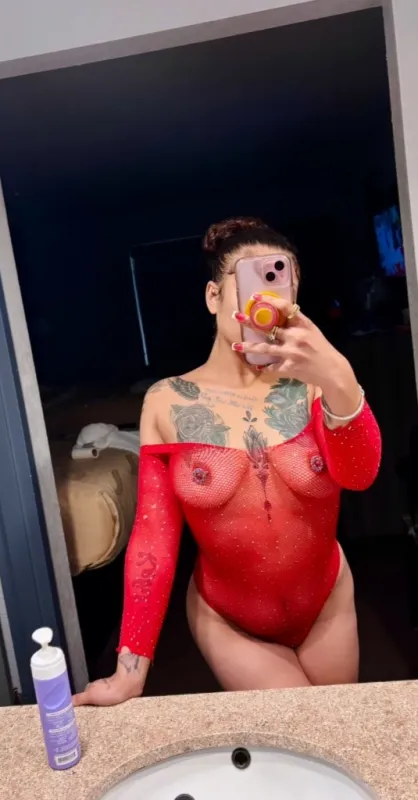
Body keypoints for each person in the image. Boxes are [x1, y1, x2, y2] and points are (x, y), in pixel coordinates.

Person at [74, 217, 381, 707]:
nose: (264, 303)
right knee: (303, 726)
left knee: (337, 732)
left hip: (327, 604)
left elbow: (360, 475)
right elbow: (154, 537)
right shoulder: (168, 402)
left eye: (278, 285)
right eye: (251, 282)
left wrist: (340, 377)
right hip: (230, 620)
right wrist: (130, 670)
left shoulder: (316, 383)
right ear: (214, 296)